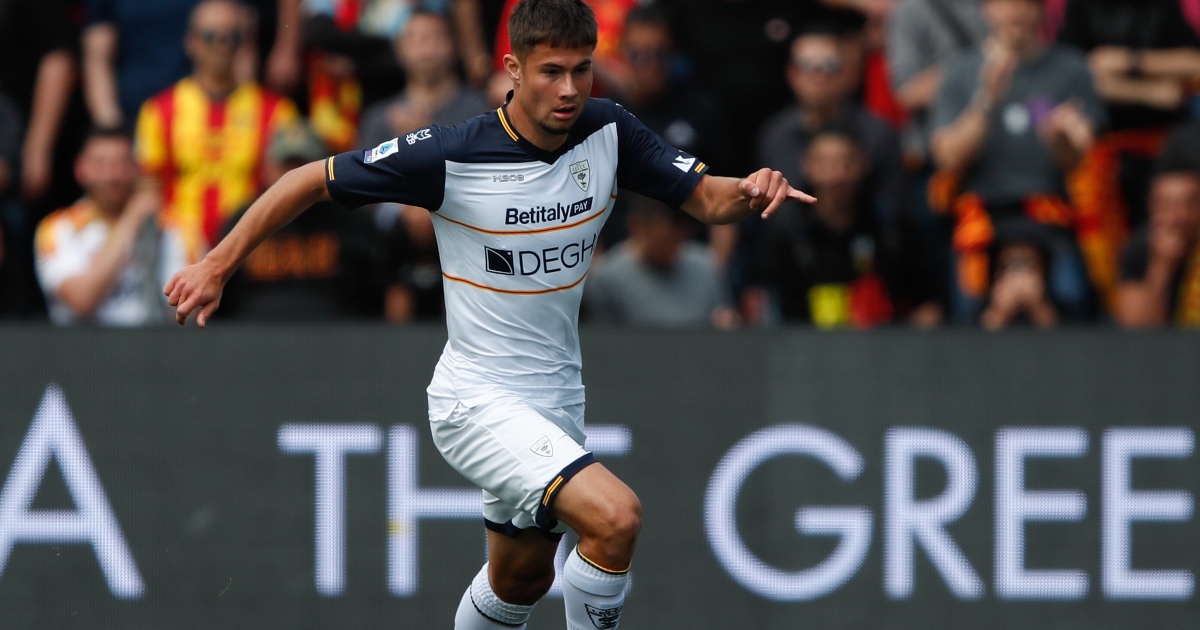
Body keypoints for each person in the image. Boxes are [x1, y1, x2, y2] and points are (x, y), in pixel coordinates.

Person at [163, 1, 813, 628]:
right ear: (514, 68)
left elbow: (707, 198)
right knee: (616, 518)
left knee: (519, 584)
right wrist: (216, 264)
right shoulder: (450, 154)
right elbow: (307, 179)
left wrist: (753, 189)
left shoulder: (609, 130)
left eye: (581, 69)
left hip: (556, 398)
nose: (568, 88)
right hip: (475, 400)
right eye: (551, 71)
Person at [930, 0, 1104, 321]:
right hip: (982, 217)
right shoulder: (961, 70)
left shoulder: (1071, 69)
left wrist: (1061, 137)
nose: (1016, 12)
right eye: (1005, 3)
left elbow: (1077, 157)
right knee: (965, 310)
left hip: (1049, 217)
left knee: (1074, 297)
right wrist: (986, 100)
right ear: (986, 9)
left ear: (1042, 10)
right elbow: (947, 159)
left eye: (1026, 4)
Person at [135, 0, 299, 261]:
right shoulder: (158, 111)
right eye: (210, 36)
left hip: (249, 252)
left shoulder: (277, 111)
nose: (222, 45)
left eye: (232, 36)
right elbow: (149, 196)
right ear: (191, 41)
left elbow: (284, 193)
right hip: (180, 255)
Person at [758, 128, 933, 327]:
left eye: (847, 162)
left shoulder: (892, 230)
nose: (837, 175)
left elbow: (929, 306)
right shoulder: (788, 236)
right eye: (826, 164)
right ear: (807, 166)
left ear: (863, 163)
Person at [219, 123, 388, 320]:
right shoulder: (243, 219)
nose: (294, 177)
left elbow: (378, 292)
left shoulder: (354, 220)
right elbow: (221, 292)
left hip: (339, 338)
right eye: (286, 166)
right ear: (267, 169)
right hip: (249, 337)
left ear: (322, 168)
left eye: (302, 167)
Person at [33, 127, 187, 326]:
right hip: (80, 350)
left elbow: (190, 311)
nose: (113, 175)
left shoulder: (171, 227)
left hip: (157, 348)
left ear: (136, 167)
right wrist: (132, 219)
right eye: (101, 164)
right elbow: (81, 301)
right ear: (80, 168)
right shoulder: (57, 228)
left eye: (122, 163)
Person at [585, 194, 738, 328]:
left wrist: (726, 325)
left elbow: (724, 319)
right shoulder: (607, 278)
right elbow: (605, 345)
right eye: (665, 241)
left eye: (678, 240)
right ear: (637, 226)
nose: (672, 249)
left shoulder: (706, 266)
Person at [357, 8, 488, 149]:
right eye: (415, 39)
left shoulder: (480, 112)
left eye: (436, 37)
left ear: (453, 45)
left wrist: (423, 139)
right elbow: (363, 168)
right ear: (399, 49)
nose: (427, 48)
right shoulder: (380, 119)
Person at [1115, 169, 1200, 328]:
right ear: (1152, 207)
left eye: (1190, 203)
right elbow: (1137, 332)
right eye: (1167, 205)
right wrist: (1161, 268)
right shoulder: (1139, 248)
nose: (1179, 216)